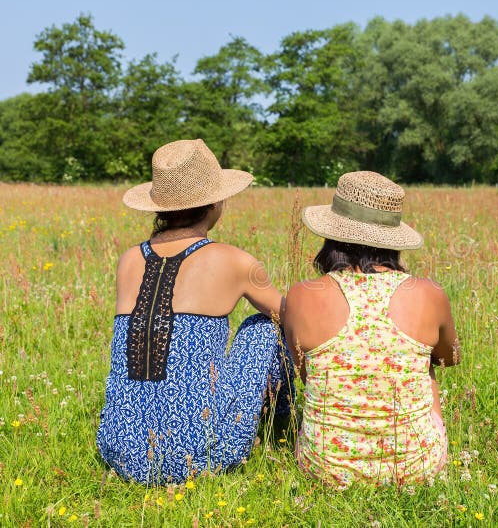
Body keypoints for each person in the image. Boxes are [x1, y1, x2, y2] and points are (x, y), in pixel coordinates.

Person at [96, 139, 293, 485]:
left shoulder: (128, 259)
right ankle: (285, 422)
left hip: (120, 450)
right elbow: (290, 317)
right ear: (215, 203)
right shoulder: (235, 260)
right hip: (201, 454)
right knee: (265, 324)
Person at [283, 171, 460, 488]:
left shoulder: (300, 295)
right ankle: (408, 450)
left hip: (324, 466)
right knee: (425, 367)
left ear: (332, 233)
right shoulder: (430, 293)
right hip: (417, 467)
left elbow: (307, 374)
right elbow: (450, 358)